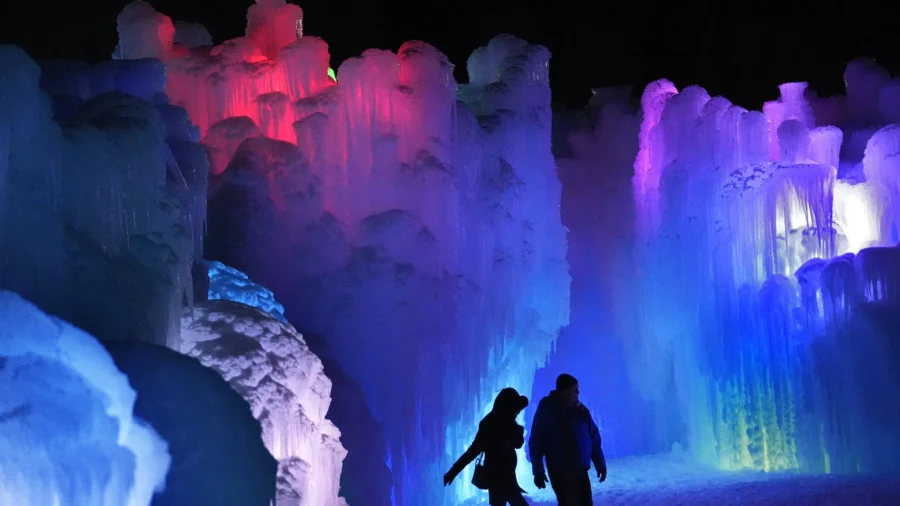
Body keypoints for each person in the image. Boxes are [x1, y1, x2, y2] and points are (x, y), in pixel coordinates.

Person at [528, 374, 606, 506]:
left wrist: (600, 463)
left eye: (578, 389)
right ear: (564, 391)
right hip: (559, 469)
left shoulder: (581, 411)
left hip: (580, 469)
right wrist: (538, 470)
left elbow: (593, 438)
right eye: (574, 389)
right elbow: (536, 440)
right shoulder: (548, 408)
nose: (578, 392)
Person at [443, 388, 530, 506]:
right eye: (516, 410)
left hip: (500, 477)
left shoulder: (494, 422)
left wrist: (453, 471)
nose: (517, 413)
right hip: (500, 478)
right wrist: (453, 471)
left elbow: (473, 451)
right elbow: (474, 451)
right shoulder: (497, 424)